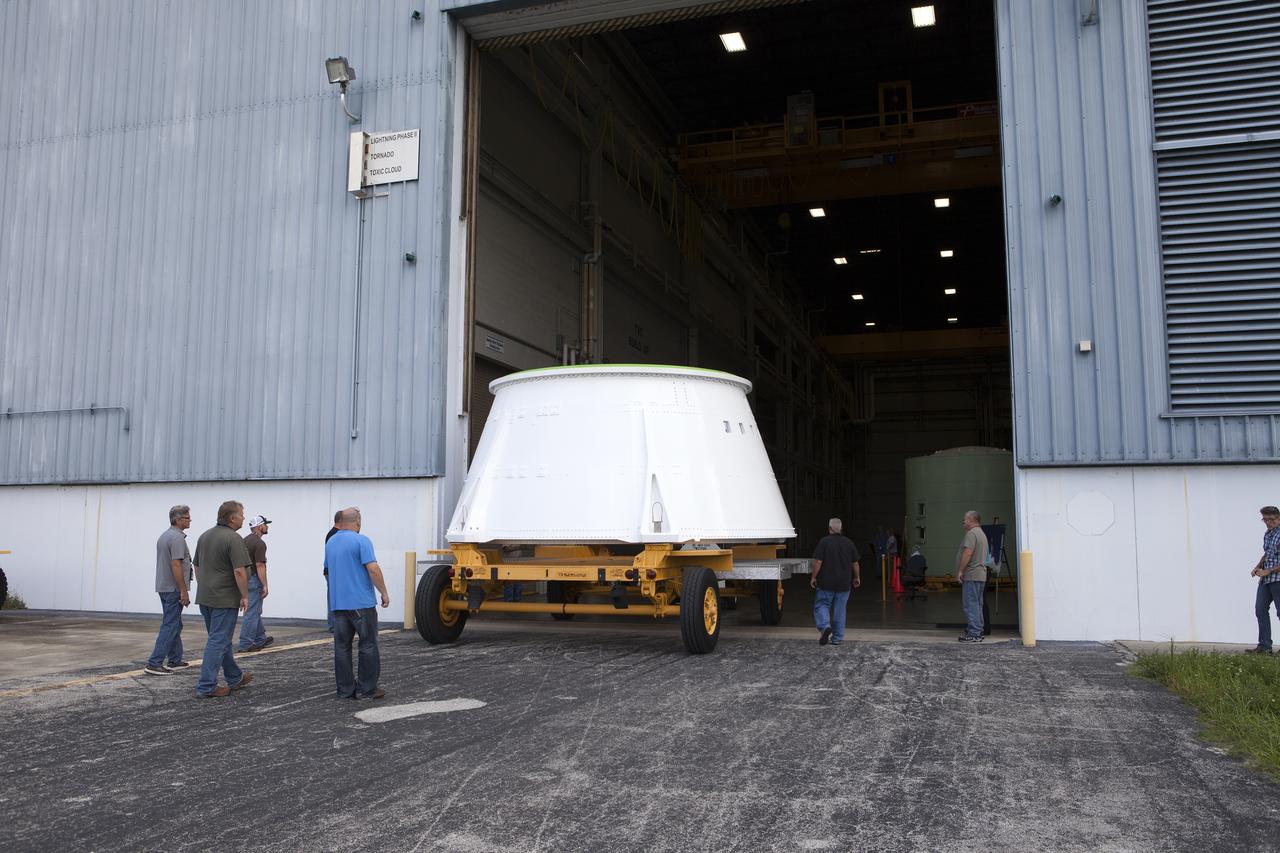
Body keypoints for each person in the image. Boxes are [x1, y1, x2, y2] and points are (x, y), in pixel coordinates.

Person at [325, 507, 390, 700]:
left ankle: (345, 691)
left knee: (342, 647)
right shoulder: (361, 540)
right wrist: (384, 592)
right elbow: (373, 569)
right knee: (368, 644)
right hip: (361, 603)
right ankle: (366, 689)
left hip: (338, 605)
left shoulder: (331, 542)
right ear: (358, 521)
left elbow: (327, 571)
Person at [193, 500, 254, 698]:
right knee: (218, 641)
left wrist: (206, 584)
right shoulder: (233, 539)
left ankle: (234, 677)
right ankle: (206, 686)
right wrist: (244, 595)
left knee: (220, 639)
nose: (244, 517)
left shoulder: (205, 536)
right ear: (232, 518)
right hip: (224, 598)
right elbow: (239, 570)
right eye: (242, 514)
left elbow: (197, 566)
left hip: (206, 596)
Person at [145, 505, 194, 675]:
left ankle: (175, 659)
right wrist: (183, 591)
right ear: (178, 520)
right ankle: (155, 662)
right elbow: (176, 564)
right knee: (170, 625)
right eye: (187, 517)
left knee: (174, 623)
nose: (190, 520)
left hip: (164, 586)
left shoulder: (165, 536)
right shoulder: (177, 538)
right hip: (174, 588)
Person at [810, 518, 861, 646]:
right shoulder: (849, 543)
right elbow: (855, 563)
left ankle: (825, 626)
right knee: (840, 610)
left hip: (826, 582)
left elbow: (818, 562)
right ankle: (837, 638)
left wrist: (813, 577)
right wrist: (857, 577)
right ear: (841, 529)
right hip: (844, 584)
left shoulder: (824, 542)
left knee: (821, 605)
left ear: (829, 528)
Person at [237, 514, 274, 652]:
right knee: (252, 612)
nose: (267, 527)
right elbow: (260, 565)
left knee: (254, 610)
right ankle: (245, 643)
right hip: (253, 579)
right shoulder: (259, 543)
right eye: (265, 524)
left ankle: (260, 638)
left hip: (244, 578)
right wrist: (265, 585)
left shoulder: (244, 540)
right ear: (259, 527)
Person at [1248, 505, 1280, 654]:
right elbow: (1267, 554)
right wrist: (1257, 566)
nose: (1268, 522)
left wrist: (1268, 570)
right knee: (1260, 610)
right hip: (1266, 580)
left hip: (1278, 578)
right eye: (1265, 519)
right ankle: (1264, 646)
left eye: (1271, 519)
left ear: (1278, 518)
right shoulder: (1268, 534)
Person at [956, 510, 990, 643]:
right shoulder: (981, 533)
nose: (963, 522)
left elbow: (968, 552)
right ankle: (978, 630)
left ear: (970, 520)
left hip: (972, 574)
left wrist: (960, 571)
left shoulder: (971, 534)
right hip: (981, 574)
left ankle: (974, 633)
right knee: (977, 604)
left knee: (970, 605)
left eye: (965, 519)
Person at [324, 510, 341, 632]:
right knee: (334, 597)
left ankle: (334, 624)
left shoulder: (333, 534)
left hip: (331, 570)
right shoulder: (334, 535)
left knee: (334, 596)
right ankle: (333, 625)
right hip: (333, 571)